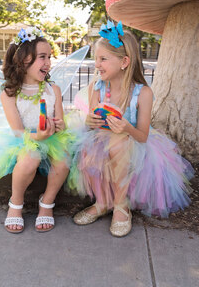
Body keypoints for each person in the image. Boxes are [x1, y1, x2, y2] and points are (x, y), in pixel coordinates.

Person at [67, 20, 194, 237]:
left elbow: (142, 136)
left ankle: (120, 205)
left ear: (124, 61)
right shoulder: (96, 88)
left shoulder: (142, 93)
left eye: (103, 59)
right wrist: (90, 121)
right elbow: (91, 126)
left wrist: (126, 127)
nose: (96, 64)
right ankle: (102, 201)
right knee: (88, 149)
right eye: (96, 58)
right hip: (102, 138)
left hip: (134, 143)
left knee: (118, 145)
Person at [0, 27, 75, 234]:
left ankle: (47, 203)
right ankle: (16, 203)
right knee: (30, 157)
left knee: (64, 159)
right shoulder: (9, 93)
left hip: (51, 138)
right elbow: (17, 132)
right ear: (23, 60)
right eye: (42, 57)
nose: (48, 63)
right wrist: (37, 136)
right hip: (22, 139)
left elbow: (61, 122)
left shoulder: (53, 90)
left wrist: (59, 125)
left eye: (49, 57)